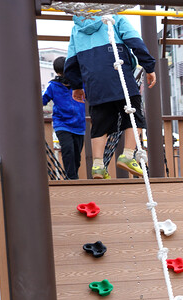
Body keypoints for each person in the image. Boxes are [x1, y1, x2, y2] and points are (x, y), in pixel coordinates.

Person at [64, 15, 156, 179]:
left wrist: (76, 86)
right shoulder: (115, 19)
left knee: (100, 123)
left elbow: (71, 60)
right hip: (119, 75)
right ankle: (128, 155)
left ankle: (98, 166)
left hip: (95, 84)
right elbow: (135, 41)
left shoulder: (76, 28)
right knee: (135, 116)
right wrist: (148, 66)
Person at [42, 56, 86, 180]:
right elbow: (43, 100)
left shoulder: (79, 84)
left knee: (77, 156)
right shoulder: (53, 86)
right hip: (62, 123)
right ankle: (71, 179)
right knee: (68, 150)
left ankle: (73, 176)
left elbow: (91, 94)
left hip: (79, 124)